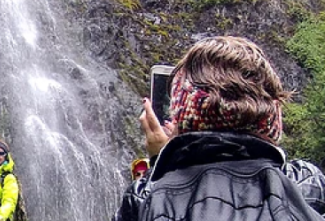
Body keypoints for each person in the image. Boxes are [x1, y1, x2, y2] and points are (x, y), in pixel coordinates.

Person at [113, 36, 325, 221]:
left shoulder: (146, 198)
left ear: (183, 117)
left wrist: (161, 162)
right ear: (271, 116)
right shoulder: (305, 184)